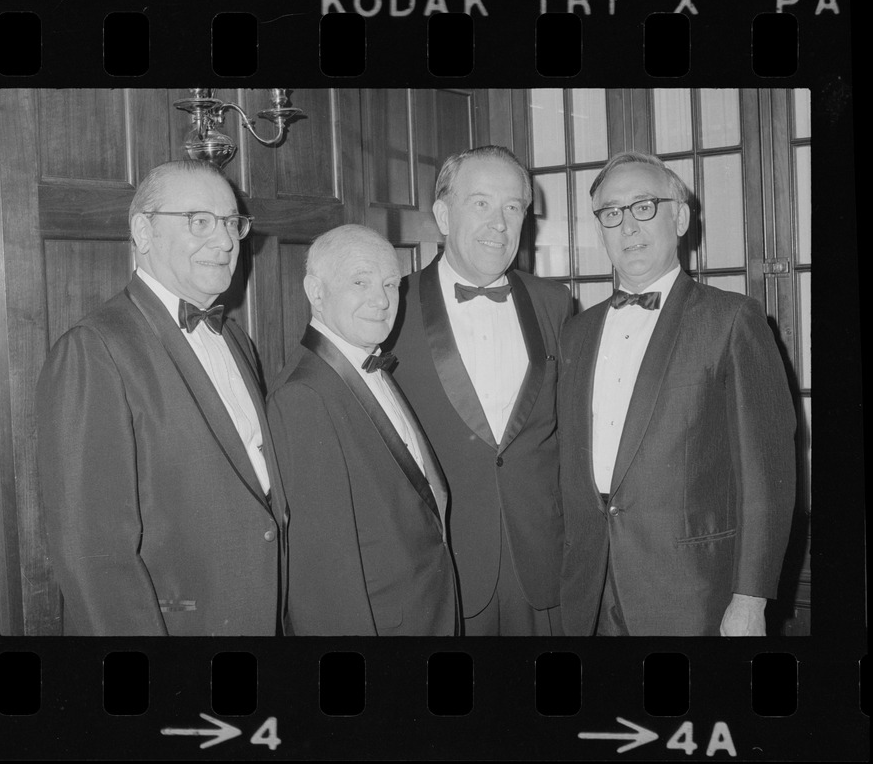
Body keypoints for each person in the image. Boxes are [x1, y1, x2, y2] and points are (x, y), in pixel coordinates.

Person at [36, 160, 287, 636]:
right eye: (199, 221)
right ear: (143, 232)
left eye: (232, 222)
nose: (226, 240)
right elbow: (93, 556)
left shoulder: (235, 339)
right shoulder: (94, 350)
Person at [558, 150, 796, 636]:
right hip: (588, 590)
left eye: (643, 206)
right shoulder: (575, 332)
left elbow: (767, 469)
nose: (627, 226)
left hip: (693, 591)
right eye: (611, 213)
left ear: (680, 216)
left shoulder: (732, 320)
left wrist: (750, 600)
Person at [389, 146, 571, 635]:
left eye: (513, 207)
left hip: (542, 565)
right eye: (482, 204)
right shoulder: (389, 308)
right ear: (444, 215)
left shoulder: (555, 304)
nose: (500, 223)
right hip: (442, 566)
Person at [267, 225, 459, 636]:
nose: (382, 299)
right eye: (360, 281)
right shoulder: (303, 396)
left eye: (391, 284)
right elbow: (322, 582)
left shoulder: (367, 360)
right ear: (315, 292)